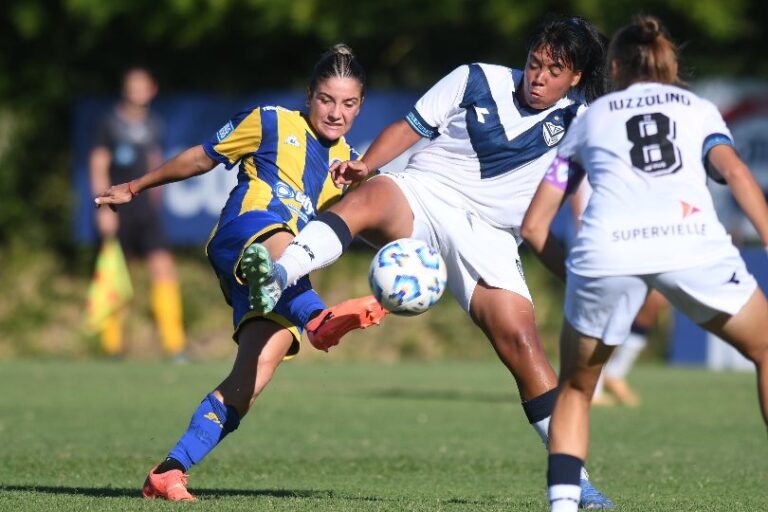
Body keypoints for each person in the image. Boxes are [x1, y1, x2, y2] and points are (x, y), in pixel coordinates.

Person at [246, 17, 613, 509]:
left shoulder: (583, 122)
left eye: (554, 70)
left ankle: (577, 482)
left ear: (576, 78)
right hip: (425, 192)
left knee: (523, 345)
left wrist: (585, 268)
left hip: (490, 237)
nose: (538, 76)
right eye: (534, 63)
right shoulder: (475, 78)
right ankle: (280, 272)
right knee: (368, 197)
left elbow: (582, 200)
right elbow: (410, 126)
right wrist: (368, 164)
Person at [95, 44, 388, 501]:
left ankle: (169, 471)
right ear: (310, 94)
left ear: (361, 105)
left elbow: (350, 227)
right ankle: (318, 320)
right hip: (244, 234)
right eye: (327, 99)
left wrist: (401, 252)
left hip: (281, 280)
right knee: (282, 246)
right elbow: (201, 157)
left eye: (348, 104)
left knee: (253, 377)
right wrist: (136, 185)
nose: (336, 112)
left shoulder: (348, 164)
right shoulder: (271, 120)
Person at [520, 15, 768, 512]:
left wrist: (576, 279)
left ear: (613, 66)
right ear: (670, 65)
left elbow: (533, 228)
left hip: (607, 251)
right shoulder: (698, 109)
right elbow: (735, 171)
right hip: (690, 243)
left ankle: (564, 505)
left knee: (573, 388)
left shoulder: (591, 117)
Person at [89, 67, 186, 359]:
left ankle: (174, 346)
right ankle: (112, 346)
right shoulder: (109, 123)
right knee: (119, 274)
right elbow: (98, 165)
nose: (137, 91)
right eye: (132, 86)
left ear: (151, 89)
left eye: (142, 86)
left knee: (163, 268)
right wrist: (103, 206)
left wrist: (156, 199)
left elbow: (156, 162)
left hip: (146, 212)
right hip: (118, 210)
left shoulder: (154, 124)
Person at [571, 181, 669, 406]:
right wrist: (582, 233)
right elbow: (574, 185)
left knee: (655, 301)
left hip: (631, 236)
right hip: (597, 238)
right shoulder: (585, 147)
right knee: (604, 310)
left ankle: (615, 373)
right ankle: (590, 386)